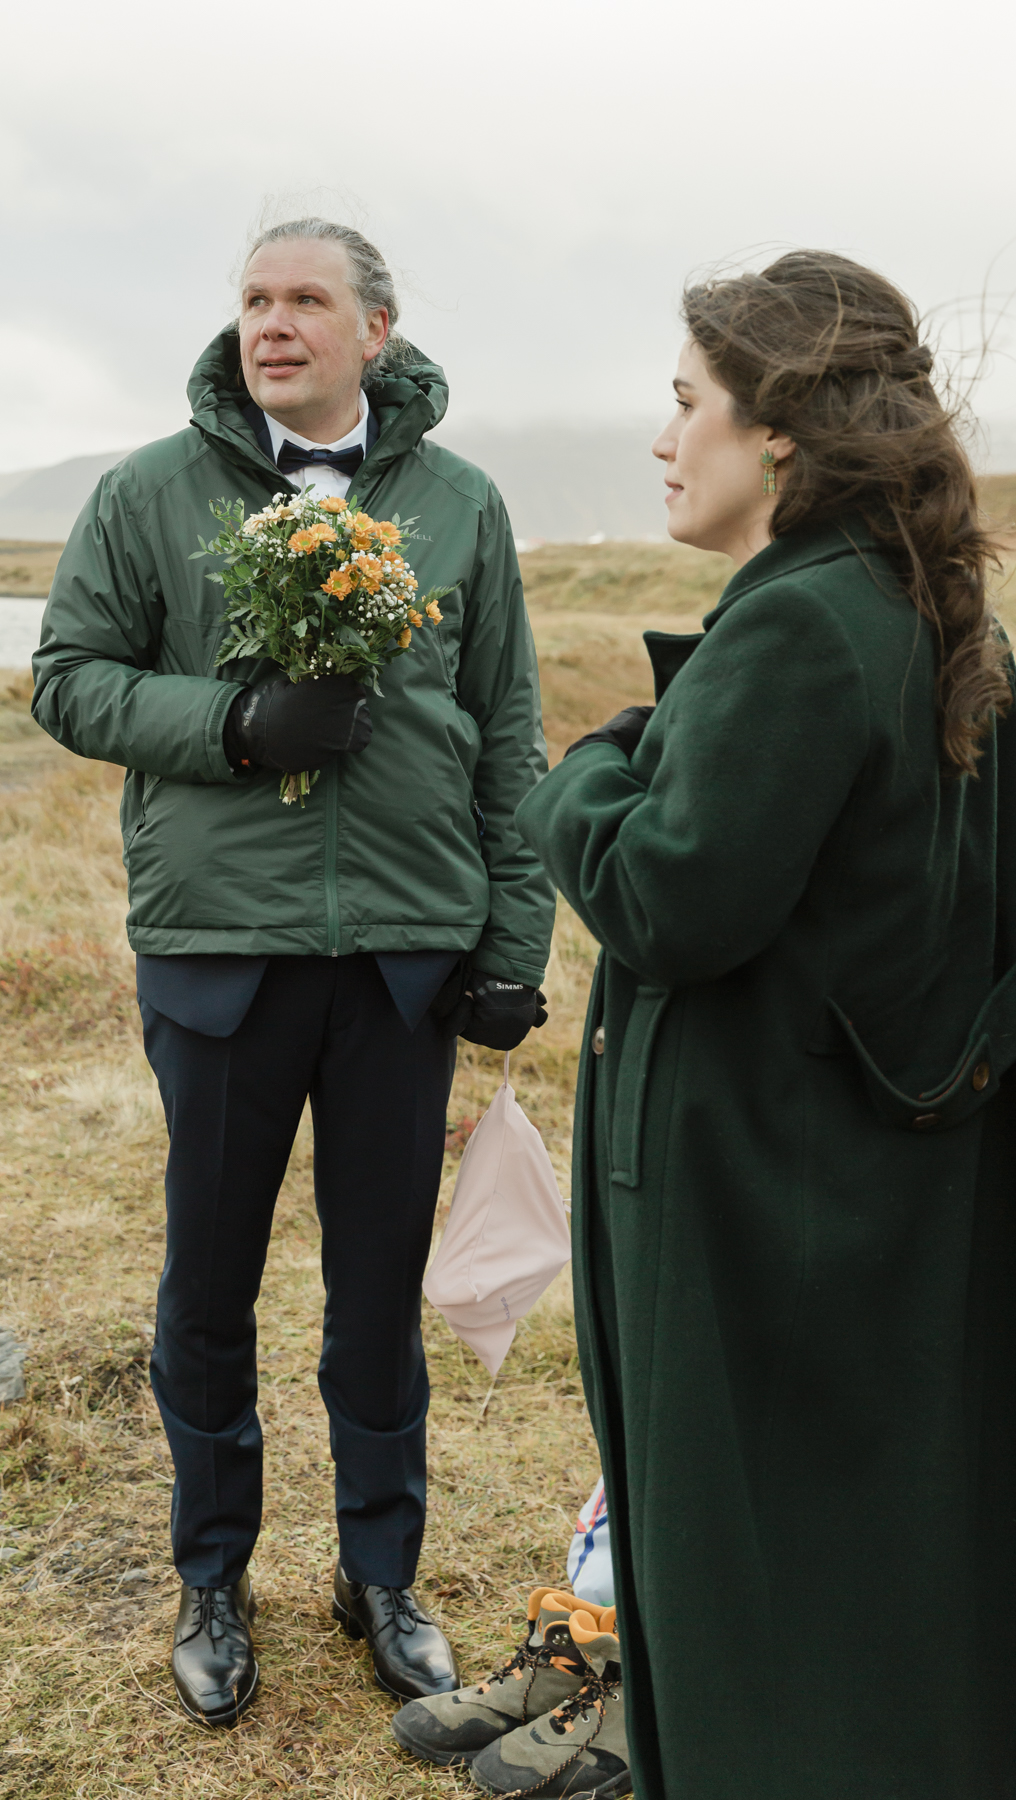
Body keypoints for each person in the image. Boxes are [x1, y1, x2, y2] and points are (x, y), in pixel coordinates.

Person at [493, 252, 1016, 1799]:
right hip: (853, 1184)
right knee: (873, 1550)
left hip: (755, 1204)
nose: (662, 442)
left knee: (743, 1576)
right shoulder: (921, 607)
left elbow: (670, 899)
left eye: (683, 404)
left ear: (778, 428)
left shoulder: (801, 625)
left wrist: (588, 766)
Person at [30, 218, 554, 1725]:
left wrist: (510, 946)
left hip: (404, 960)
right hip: (220, 957)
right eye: (254, 300)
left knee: (379, 1290)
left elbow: (506, 732)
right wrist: (239, 724)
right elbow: (69, 681)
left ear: (374, 331)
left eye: (305, 300)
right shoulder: (151, 492)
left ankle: (379, 1576)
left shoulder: (460, 505)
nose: (273, 323)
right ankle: (213, 1574)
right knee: (209, 1283)